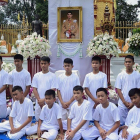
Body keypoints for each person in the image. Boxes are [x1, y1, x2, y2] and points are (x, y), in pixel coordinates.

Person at [115, 55, 140, 125]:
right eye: (126, 62)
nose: (128, 63)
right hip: (122, 104)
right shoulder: (120, 75)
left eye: (129, 62)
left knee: (133, 123)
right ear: (124, 63)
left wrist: (133, 102)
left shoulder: (137, 75)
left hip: (134, 103)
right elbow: (118, 89)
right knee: (121, 123)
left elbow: (138, 89)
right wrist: (124, 102)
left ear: (133, 63)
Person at [32, 56, 58, 121]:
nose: (43, 65)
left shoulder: (53, 76)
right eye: (42, 63)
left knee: (49, 119)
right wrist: (39, 100)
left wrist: (44, 100)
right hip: (39, 101)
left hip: (49, 101)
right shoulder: (36, 75)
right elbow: (34, 88)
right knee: (38, 119)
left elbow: (53, 89)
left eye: (45, 63)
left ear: (49, 64)